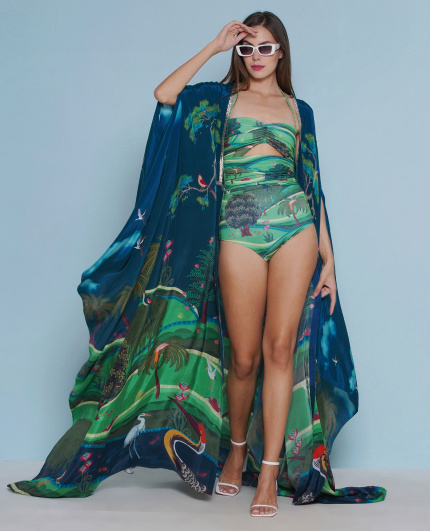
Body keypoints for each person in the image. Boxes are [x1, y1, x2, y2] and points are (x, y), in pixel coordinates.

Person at [7, 11, 386, 515]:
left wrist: (330, 261)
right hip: (237, 231)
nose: (256, 57)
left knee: (280, 350)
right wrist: (213, 46)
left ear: (282, 52)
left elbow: (313, 185)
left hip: (296, 230)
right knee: (244, 357)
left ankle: (268, 473)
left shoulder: (301, 111)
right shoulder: (218, 100)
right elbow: (165, 95)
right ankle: (235, 453)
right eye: (247, 48)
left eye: (266, 47)